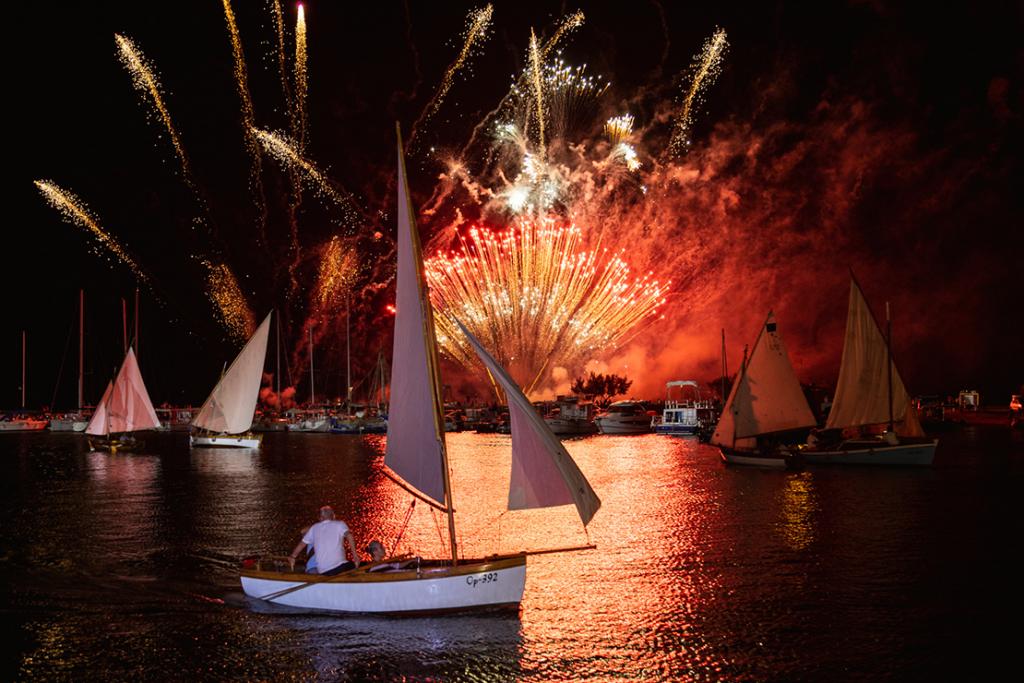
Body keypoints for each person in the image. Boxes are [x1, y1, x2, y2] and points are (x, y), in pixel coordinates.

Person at [289, 505, 360, 575]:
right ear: (333, 515)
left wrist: (293, 556)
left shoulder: (314, 528)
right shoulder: (340, 524)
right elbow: (349, 535)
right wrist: (355, 556)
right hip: (339, 568)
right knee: (360, 566)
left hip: (323, 571)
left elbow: (302, 544)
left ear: (321, 517)